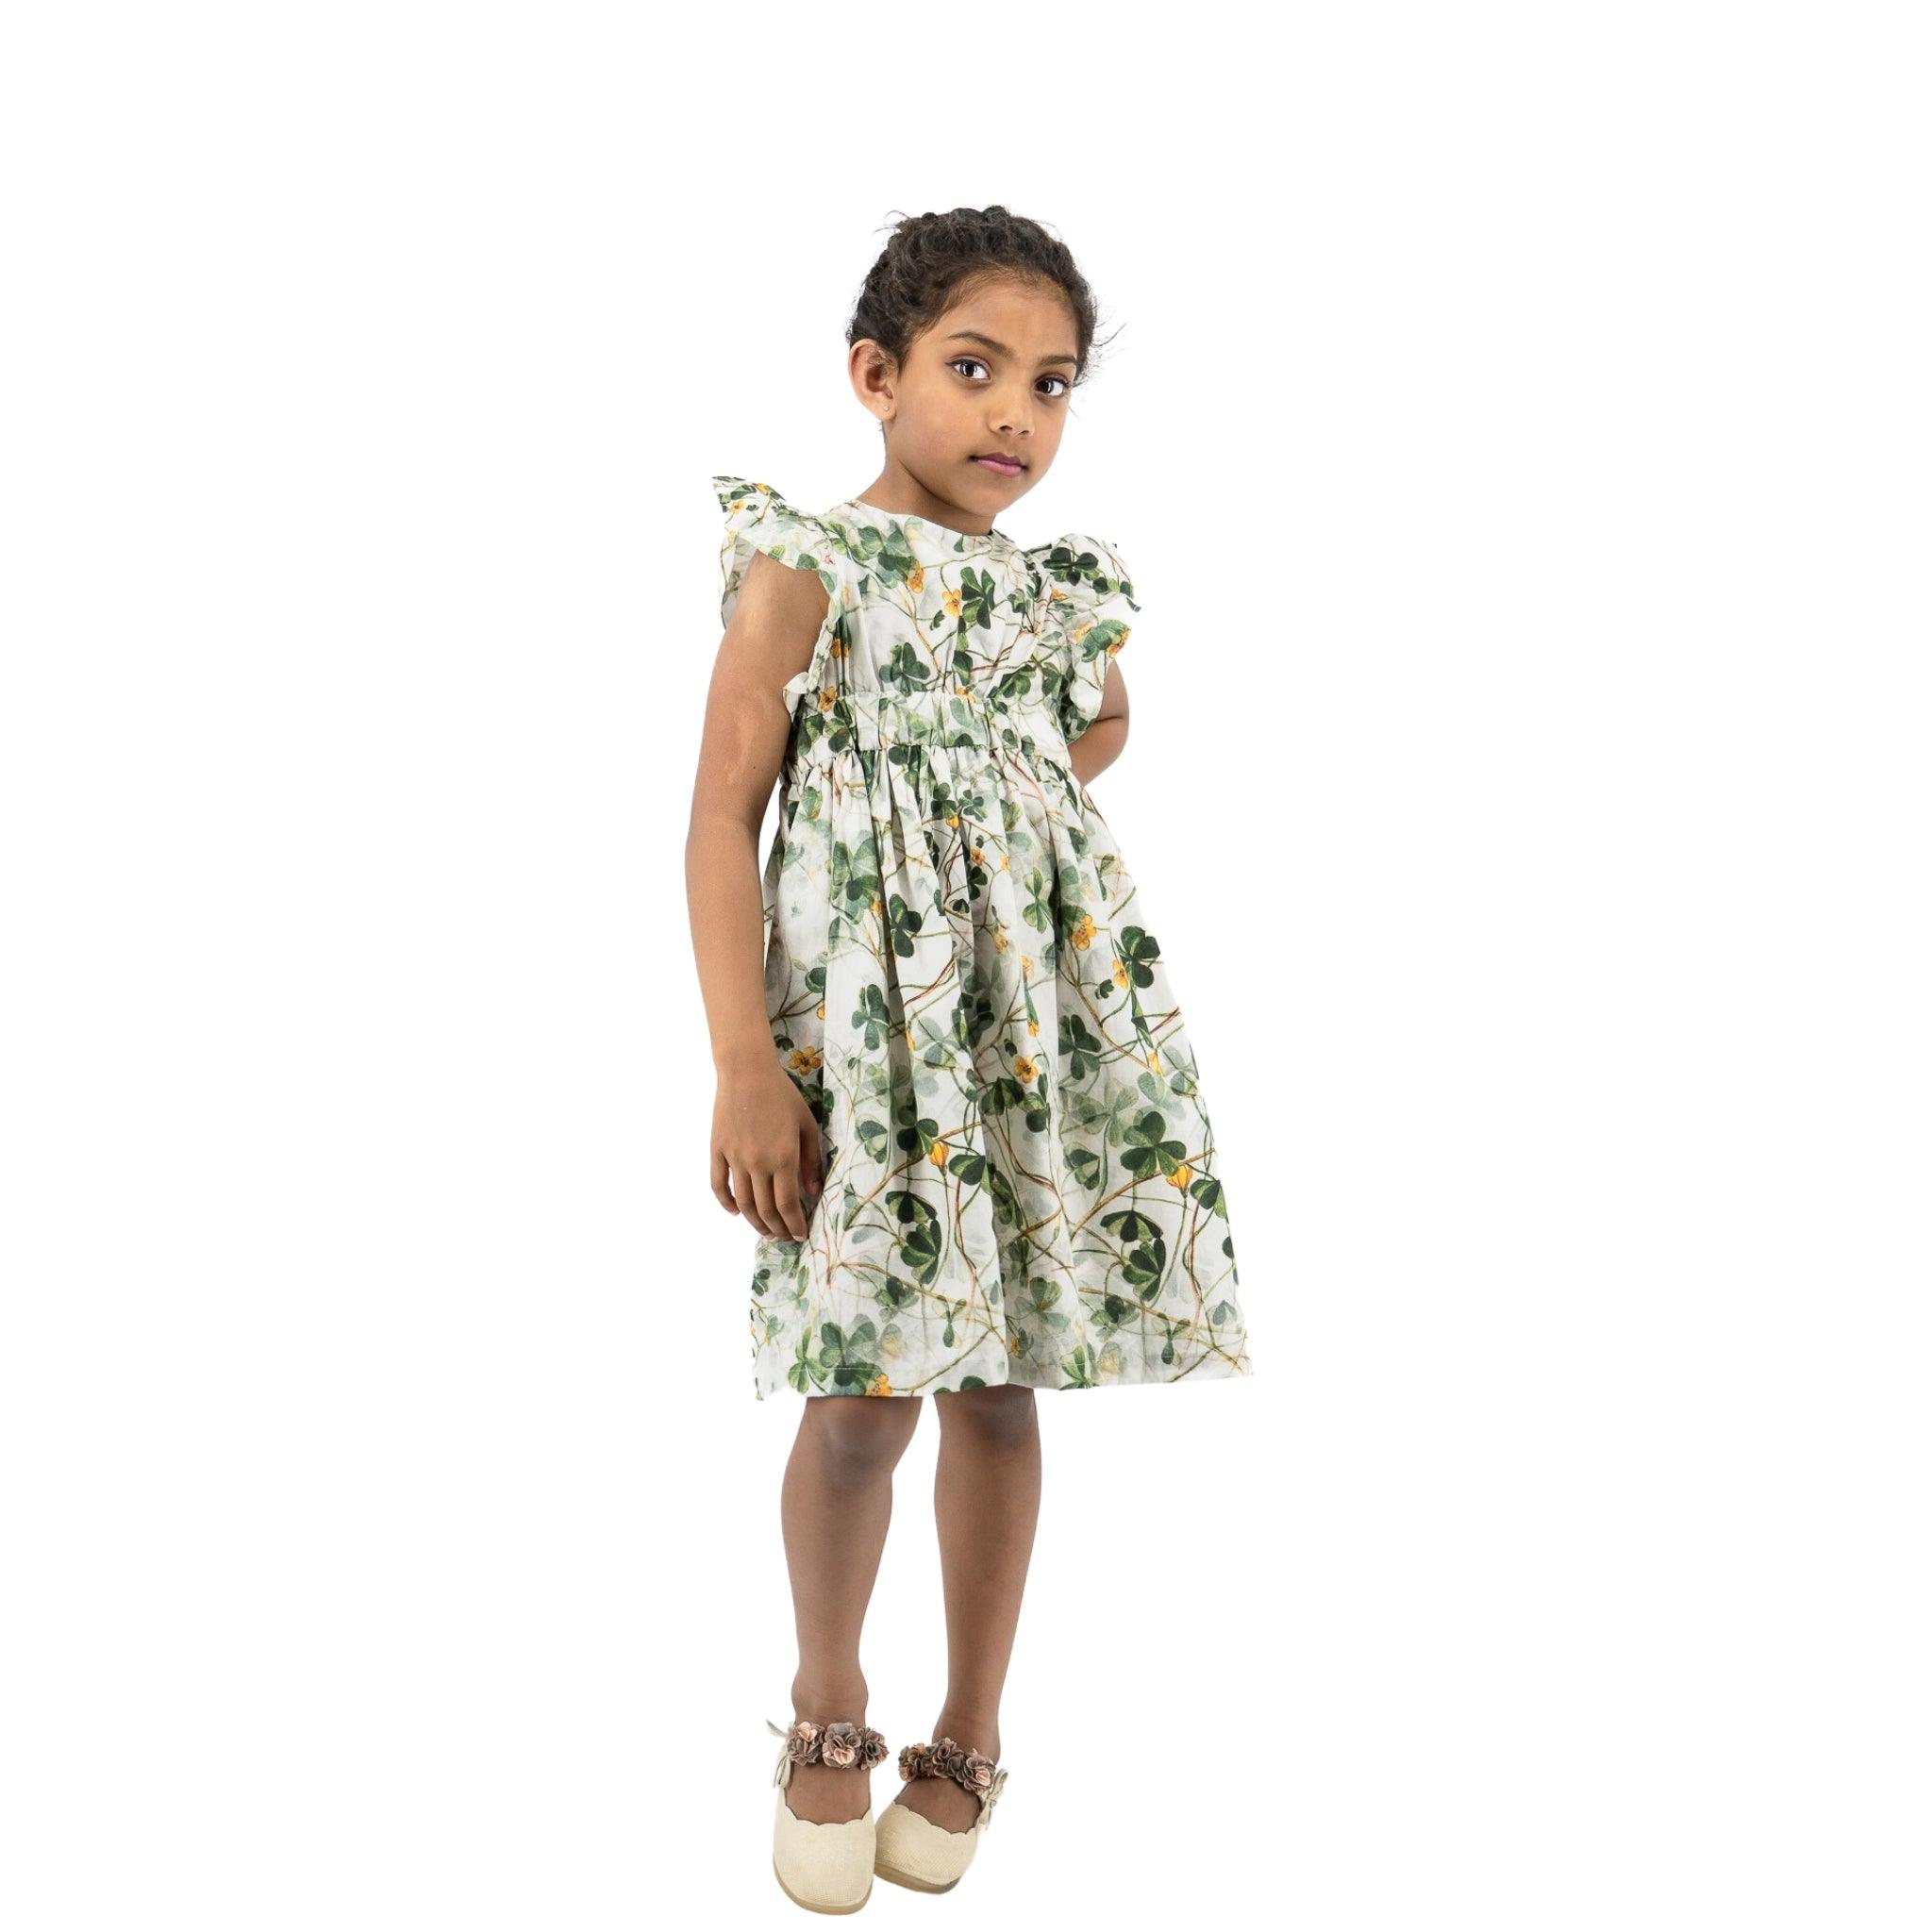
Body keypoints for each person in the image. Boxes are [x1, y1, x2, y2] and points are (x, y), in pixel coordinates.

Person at [685, 205, 1255, 1911]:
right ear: (875, 377)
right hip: (864, 1044)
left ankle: (973, 1730)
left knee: (1006, 1383)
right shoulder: (811, 560)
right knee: (862, 1387)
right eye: (974, 368)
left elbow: (1091, 730)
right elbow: (724, 809)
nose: (1017, 413)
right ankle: (826, 1707)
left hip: (1031, 1040)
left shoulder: (1059, 591)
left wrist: (1011, 815)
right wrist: (742, 1058)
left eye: (1053, 384)